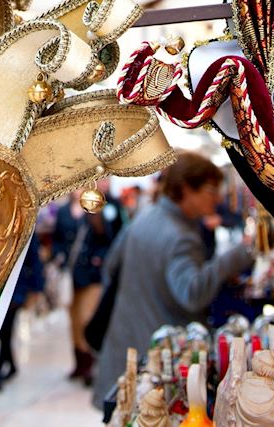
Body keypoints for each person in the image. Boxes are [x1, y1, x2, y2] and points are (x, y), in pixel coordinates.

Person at [92, 151, 256, 408]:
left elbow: (111, 268)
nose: (217, 198)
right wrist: (238, 256)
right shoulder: (181, 235)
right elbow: (192, 294)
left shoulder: (145, 215)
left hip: (123, 352)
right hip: (157, 367)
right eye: (211, 189)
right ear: (187, 189)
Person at [52, 185, 122, 386]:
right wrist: (59, 256)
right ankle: (79, 363)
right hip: (70, 275)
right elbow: (57, 239)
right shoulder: (64, 211)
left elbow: (106, 240)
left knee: (85, 317)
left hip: (91, 275)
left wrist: (98, 260)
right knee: (73, 320)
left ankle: (90, 365)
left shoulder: (94, 208)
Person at [0, 234, 44, 390]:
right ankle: (11, 366)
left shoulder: (27, 227)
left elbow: (34, 259)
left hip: (17, 286)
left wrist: (36, 289)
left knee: (6, 328)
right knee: (3, 331)